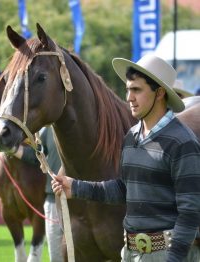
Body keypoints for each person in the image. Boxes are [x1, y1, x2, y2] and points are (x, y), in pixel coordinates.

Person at [52, 54, 200, 262]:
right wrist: (76, 187)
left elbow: (190, 210)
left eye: (137, 90)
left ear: (159, 93)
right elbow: (124, 188)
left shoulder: (182, 141)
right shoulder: (131, 137)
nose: (129, 97)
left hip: (168, 254)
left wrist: (173, 258)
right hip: (131, 254)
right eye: (128, 89)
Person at [14, 126, 64, 262]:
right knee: (56, 258)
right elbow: (36, 154)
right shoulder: (49, 129)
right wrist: (12, 148)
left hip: (81, 201)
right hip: (53, 201)